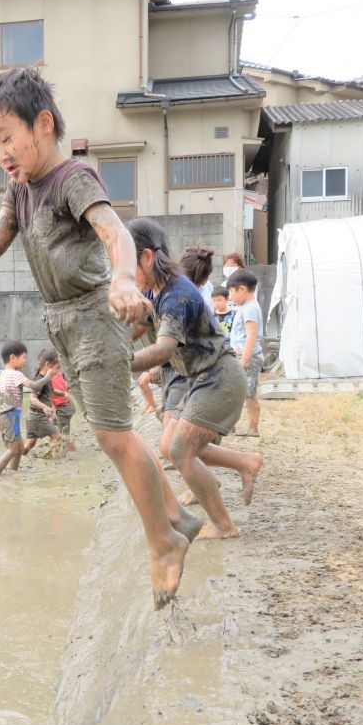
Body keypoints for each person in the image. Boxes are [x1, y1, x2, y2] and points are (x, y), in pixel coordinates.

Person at [0, 67, 197, 608]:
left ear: (42, 124)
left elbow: (114, 231)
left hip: (94, 316)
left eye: (5, 138)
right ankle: (177, 515)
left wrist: (121, 278)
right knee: (110, 429)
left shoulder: (73, 179)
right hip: (61, 322)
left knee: (114, 436)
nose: (0, 152)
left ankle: (164, 543)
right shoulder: (19, 188)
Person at [129, 218, 263, 540]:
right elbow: (138, 330)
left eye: (124, 263)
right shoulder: (156, 292)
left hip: (219, 377)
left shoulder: (176, 295)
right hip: (201, 378)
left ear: (147, 257)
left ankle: (224, 526)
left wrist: (118, 361)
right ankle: (246, 462)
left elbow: (163, 351)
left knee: (181, 450)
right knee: (177, 446)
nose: (121, 273)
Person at [0, 340, 54, 475]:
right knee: (12, 449)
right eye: (24, 357)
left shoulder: (3, 375)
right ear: (13, 358)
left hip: (7, 415)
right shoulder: (16, 374)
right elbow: (35, 386)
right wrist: (48, 376)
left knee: (18, 448)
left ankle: (13, 472)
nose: (25, 361)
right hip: (11, 415)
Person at [227, 268, 265, 437]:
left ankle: (253, 428)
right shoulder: (244, 307)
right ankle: (231, 425)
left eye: (231, 292)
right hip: (241, 356)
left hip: (249, 358)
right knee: (237, 392)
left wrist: (243, 360)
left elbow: (252, 335)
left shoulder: (250, 308)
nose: (230, 297)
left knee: (249, 394)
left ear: (242, 289)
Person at [23, 348, 62, 454]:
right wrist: (44, 407)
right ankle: (49, 459)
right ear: (48, 364)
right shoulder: (40, 381)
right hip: (37, 417)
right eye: (57, 368)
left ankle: (15, 454)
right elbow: (33, 398)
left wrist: (62, 393)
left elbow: (51, 391)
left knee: (30, 444)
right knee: (57, 437)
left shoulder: (46, 379)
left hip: (32, 417)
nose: (58, 371)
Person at [48, 352, 77, 451]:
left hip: (64, 408)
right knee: (53, 422)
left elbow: (53, 392)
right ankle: (62, 446)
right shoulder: (58, 373)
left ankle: (69, 450)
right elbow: (66, 389)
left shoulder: (50, 378)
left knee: (63, 433)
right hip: (68, 405)